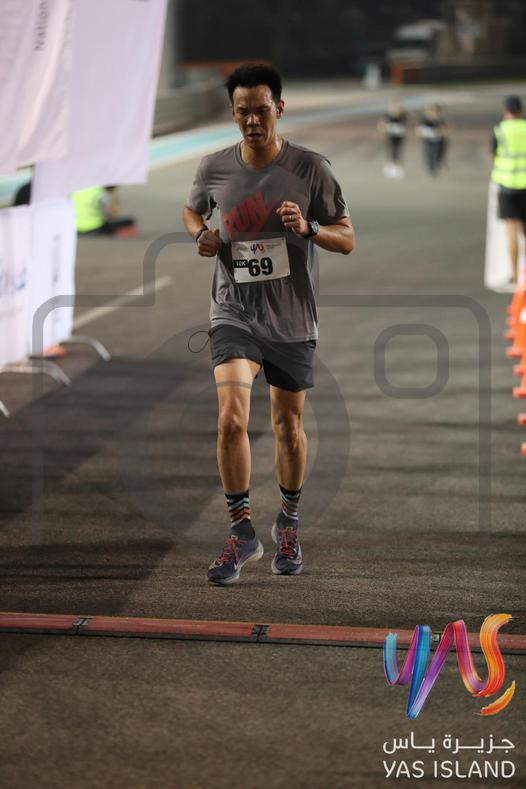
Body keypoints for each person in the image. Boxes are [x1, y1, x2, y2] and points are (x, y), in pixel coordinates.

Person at [183, 63, 355, 586]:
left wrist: (309, 227)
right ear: (232, 113)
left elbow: (347, 237)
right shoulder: (214, 167)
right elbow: (192, 212)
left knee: (288, 427)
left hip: (292, 319)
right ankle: (241, 532)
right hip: (233, 312)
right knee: (231, 418)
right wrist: (201, 234)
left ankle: (288, 523)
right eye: (243, 112)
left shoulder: (310, 169)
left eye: (261, 110)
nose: (252, 121)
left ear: (279, 108)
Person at [491, 95, 526, 284]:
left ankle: (515, 274)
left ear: (505, 110)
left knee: (512, 233)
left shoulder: (500, 130)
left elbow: (494, 156)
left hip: (507, 186)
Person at [72, 186, 138, 236]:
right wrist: (114, 195)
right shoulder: (100, 192)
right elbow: (113, 213)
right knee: (130, 221)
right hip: (95, 228)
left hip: (75, 228)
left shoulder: (74, 190)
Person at [377, 101, 408, 179]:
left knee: (398, 152)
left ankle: (397, 169)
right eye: (394, 107)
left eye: (397, 107)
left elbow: (407, 123)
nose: (395, 109)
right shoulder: (387, 116)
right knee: (390, 151)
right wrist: (387, 127)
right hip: (390, 136)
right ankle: (388, 168)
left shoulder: (402, 115)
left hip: (399, 136)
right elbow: (381, 125)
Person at [418, 104, 448, 176]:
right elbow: (421, 129)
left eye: (436, 111)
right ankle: (431, 168)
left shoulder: (440, 119)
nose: (435, 113)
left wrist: (440, 132)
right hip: (428, 140)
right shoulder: (426, 119)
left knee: (437, 154)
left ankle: (436, 165)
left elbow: (444, 129)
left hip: (438, 140)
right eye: (433, 111)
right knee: (430, 154)